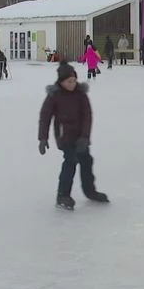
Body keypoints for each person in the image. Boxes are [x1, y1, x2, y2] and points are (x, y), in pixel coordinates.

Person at [38, 61, 109, 210]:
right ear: (61, 81)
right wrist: (42, 138)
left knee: (86, 160)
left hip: (80, 135)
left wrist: (85, 137)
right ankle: (62, 195)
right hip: (64, 136)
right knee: (70, 162)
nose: (72, 84)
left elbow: (87, 116)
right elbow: (45, 116)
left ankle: (90, 191)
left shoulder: (80, 94)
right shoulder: (54, 95)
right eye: (69, 81)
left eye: (74, 80)